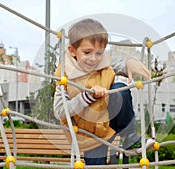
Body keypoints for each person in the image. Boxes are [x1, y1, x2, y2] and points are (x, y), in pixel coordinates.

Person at [53, 18, 154, 165]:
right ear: (72, 50)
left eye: (99, 53)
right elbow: (60, 111)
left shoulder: (103, 63)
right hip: (89, 131)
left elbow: (116, 64)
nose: (93, 59)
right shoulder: (65, 77)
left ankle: (129, 136)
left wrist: (128, 64)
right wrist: (86, 97)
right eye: (87, 52)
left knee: (120, 89)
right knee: (95, 165)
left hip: (109, 121)